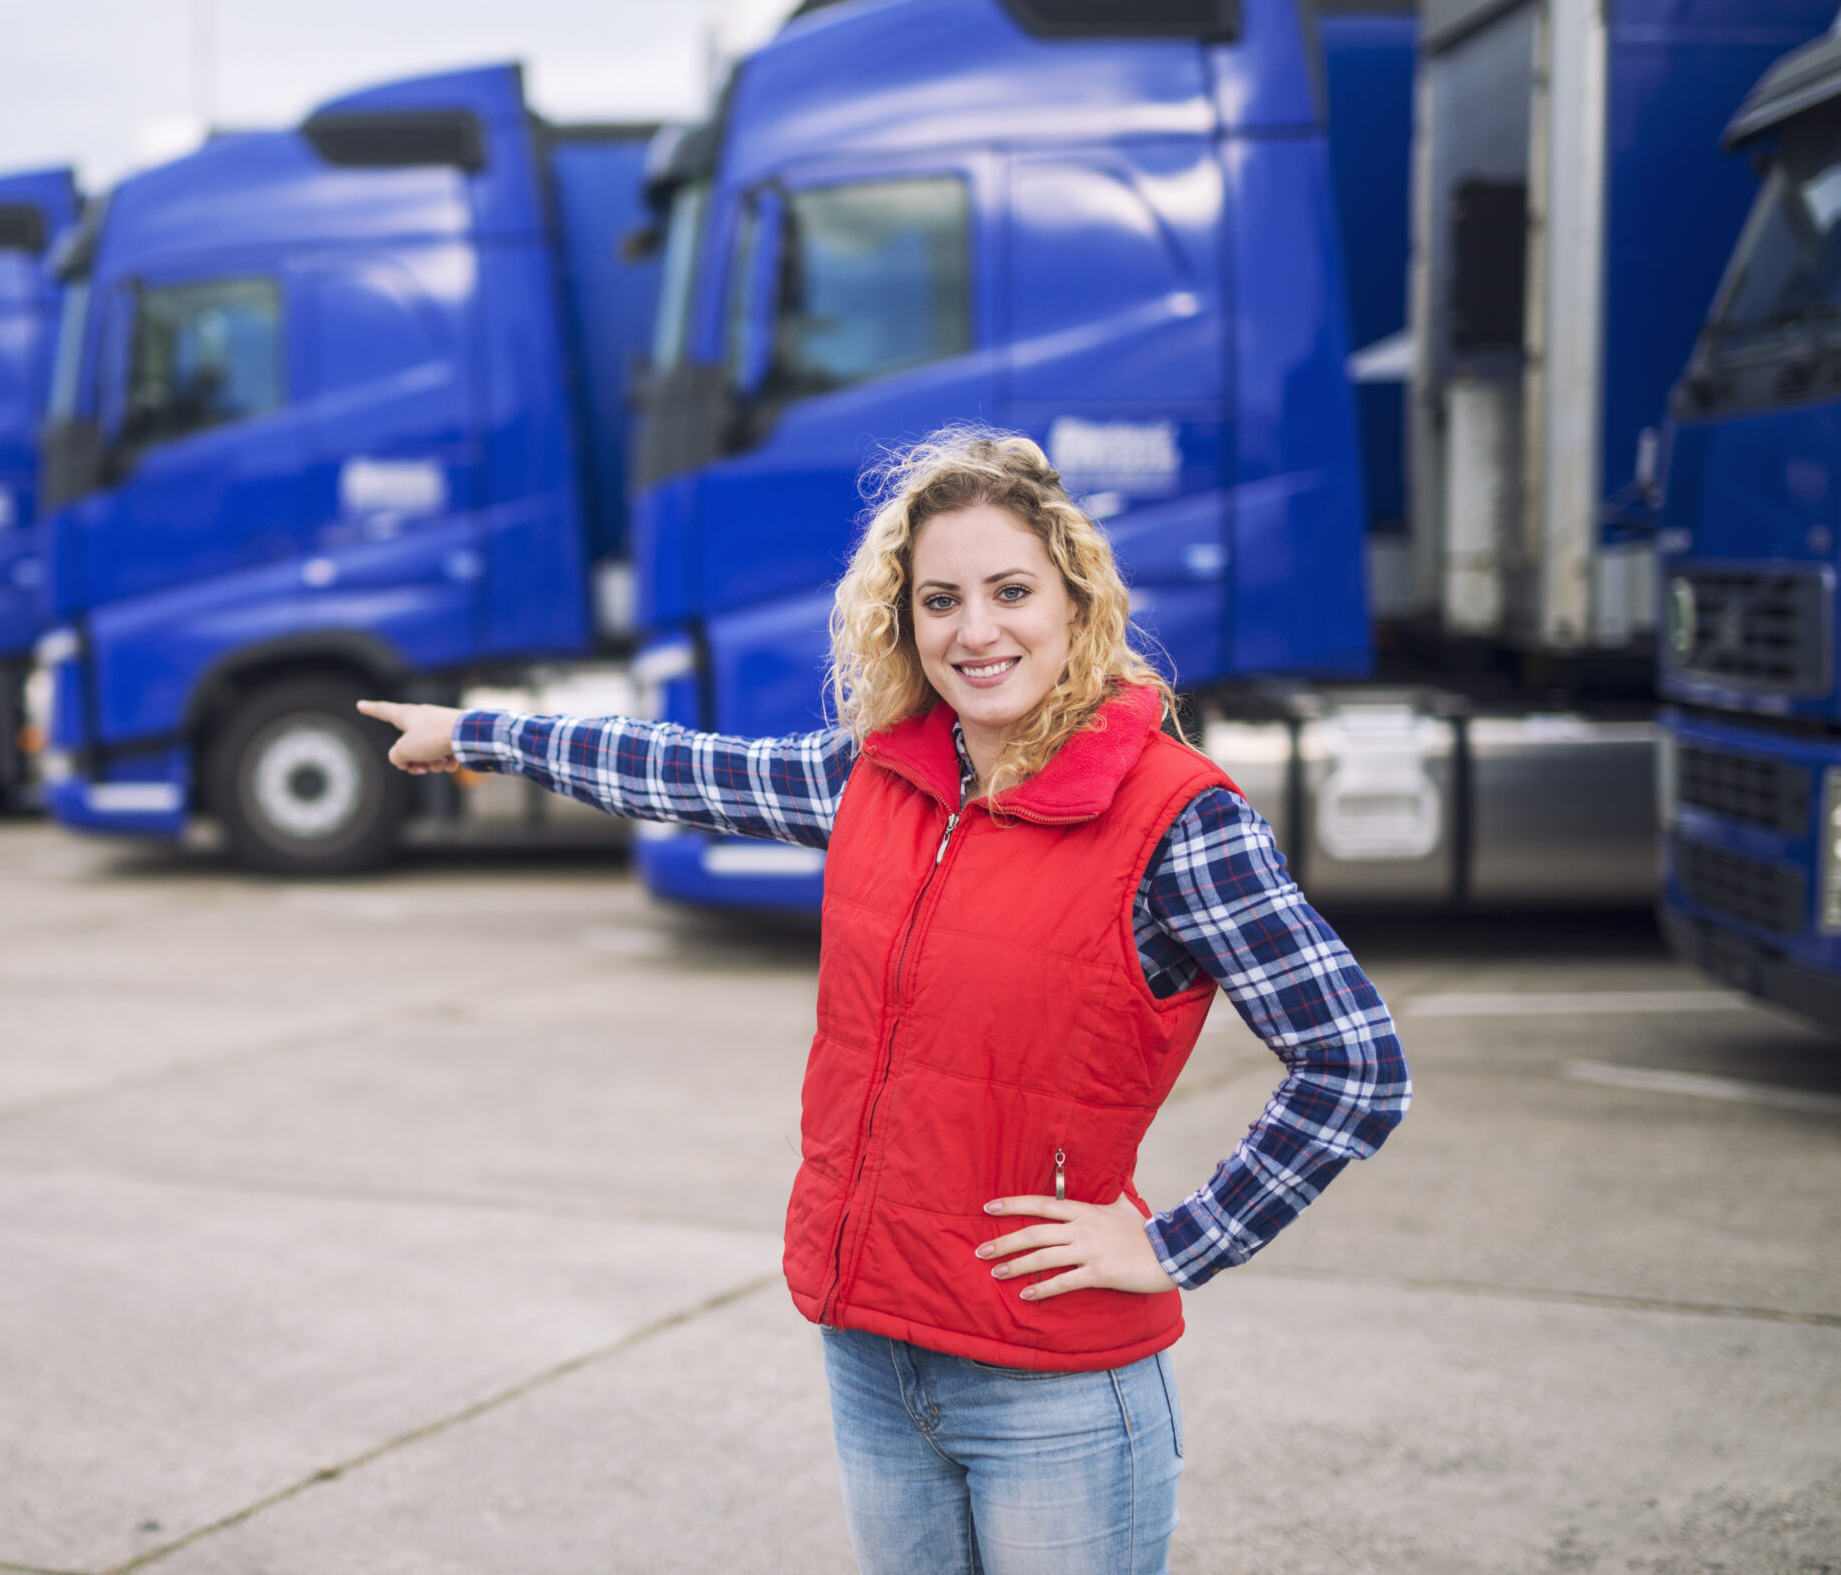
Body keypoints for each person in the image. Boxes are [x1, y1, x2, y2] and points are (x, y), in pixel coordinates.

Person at [360, 431, 1407, 1575]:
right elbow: (687, 766)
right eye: (939, 598)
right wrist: (479, 732)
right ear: (902, 619)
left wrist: (1178, 1242)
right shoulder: (883, 773)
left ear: (1076, 601)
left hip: (1048, 1377)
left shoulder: (1173, 818)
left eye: (1011, 591)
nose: (976, 630)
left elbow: (1354, 1061)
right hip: (871, 1349)